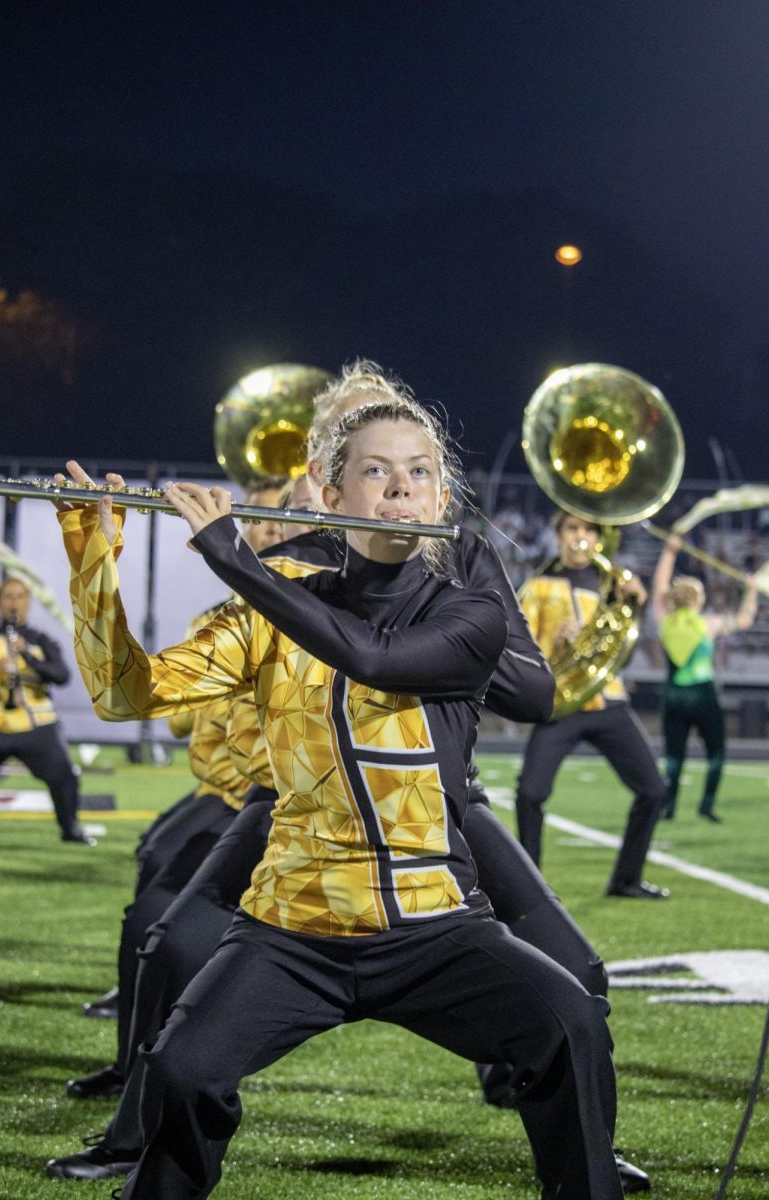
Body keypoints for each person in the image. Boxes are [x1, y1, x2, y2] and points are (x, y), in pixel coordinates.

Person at [56, 399, 624, 1200]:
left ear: (440, 498)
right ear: (330, 494)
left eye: (418, 473)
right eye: (376, 472)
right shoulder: (273, 601)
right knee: (180, 1071)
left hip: (435, 924)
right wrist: (91, 556)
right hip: (292, 929)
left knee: (570, 1027)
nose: (400, 489)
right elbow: (124, 693)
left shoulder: (470, 610)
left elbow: (374, 657)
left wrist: (236, 561)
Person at [67, 480, 286, 1095]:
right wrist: (91, 552)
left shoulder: (319, 612)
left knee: (168, 933)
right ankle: (135, 1059)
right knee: (153, 892)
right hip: (225, 798)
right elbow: (150, 702)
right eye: (259, 519)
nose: (268, 529)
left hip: (277, 810)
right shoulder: (226, 620)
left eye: (282, 516)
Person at [515, 510, 669, 899]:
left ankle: (626, 880)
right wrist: (554, 646)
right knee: (530, 794)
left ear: (599, 537)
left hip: (608, 703)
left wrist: (638, 605)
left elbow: (622, 651)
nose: (579, 537)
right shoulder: (538, 587)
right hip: (561, 705)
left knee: (653, 790)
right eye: (571, 528)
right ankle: (532, 887)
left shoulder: (611, 584)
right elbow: (519, 650)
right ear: (558, 534)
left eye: (587, 529)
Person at [0, 575, 92, 843]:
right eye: (8, 596)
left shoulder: (40, 641)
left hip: (36, 724)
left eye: (19, 596)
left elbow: (61, 675)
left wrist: (26, 655)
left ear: (28, 602)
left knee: (63, 774)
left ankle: (70, 829)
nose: (14, 602)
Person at [651, 534, 759, 822]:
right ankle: (706, 805)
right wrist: (751, 590)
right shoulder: (708, 624)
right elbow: (745, 620)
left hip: (673, 694)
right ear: (698, 599)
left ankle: (669, 807)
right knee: (716, 752)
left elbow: (659, 586)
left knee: (674, 756)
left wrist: (670, 552)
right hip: (703, 694)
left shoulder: (665, 620)